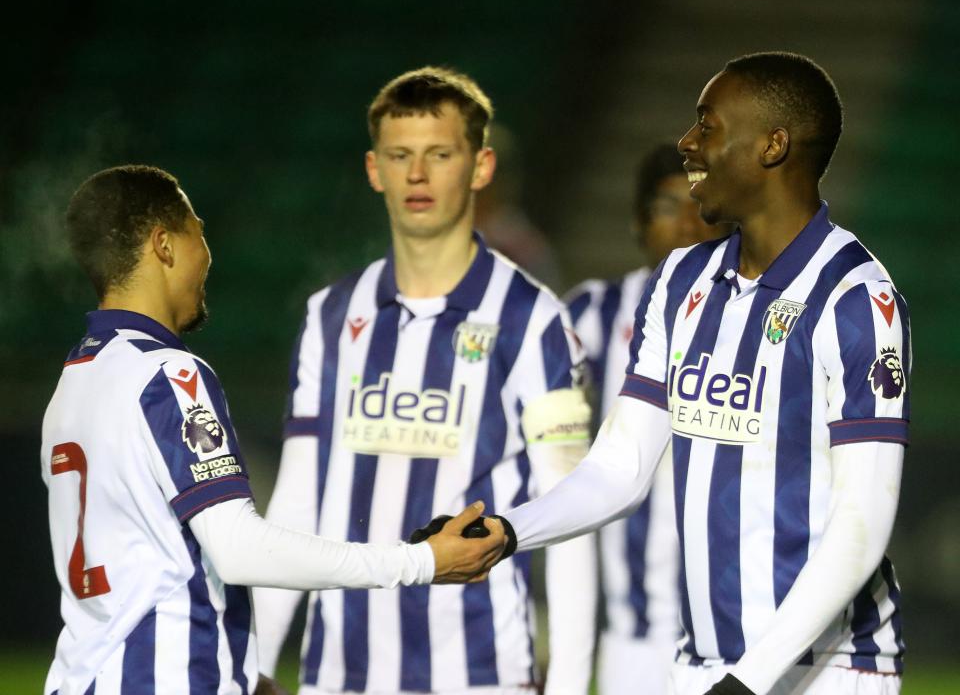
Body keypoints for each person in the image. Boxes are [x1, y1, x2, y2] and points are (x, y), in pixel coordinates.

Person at [486, 52, 910, 695]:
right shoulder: (683, 282)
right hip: (701, 666)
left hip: (830, 671)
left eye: (707, 125)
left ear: (773, 145)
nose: (687, 144)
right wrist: (510, 529)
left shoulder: (856, 303)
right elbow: (620, 467)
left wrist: (748, 681)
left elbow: (862, 525)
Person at [42, 165, 506, 695]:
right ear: (164, 244)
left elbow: (142, 557)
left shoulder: (74, 382)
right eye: (200, 232)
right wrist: (420, 561)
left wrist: (239, 673)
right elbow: (237, 547)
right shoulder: (168, 374)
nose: (208, 255)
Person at [252, 67, 595, 695]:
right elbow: (299, 499)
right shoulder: (330, 315)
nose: (417, 175)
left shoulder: (536, 321)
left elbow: (571, 515)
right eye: (400, 156)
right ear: (373, 169)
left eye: (439, 154)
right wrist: (255, 660)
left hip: (480, 676)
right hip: (337, 675)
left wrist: (569, 685)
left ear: (482, 167)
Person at [565, 144, 732, 695]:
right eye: (666, 207)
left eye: (699, 206)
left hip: (737, 632)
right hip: (632, 640)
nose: (686, 223)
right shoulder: (593, 313)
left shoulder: (768, 315)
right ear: (639, 222)